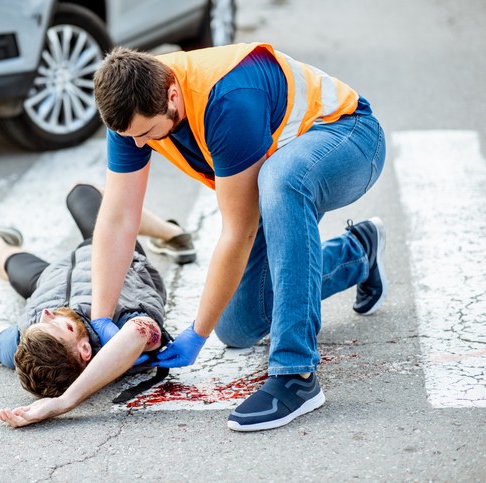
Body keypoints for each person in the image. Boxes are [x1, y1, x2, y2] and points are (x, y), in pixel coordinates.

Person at [89, 43, 387, 432]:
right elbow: (117, 219)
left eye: (146, 133)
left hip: (350, 139)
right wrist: (101, 318)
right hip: (271, 180)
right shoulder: (131, 113)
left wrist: (196, 333)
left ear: (172, 96)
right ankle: (357, 254)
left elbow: (239, 229)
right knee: (237, 326)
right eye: (132, 137)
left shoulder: (227, 100)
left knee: (282, 179)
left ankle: (296, 376)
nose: (140, 144)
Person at [0, 184, 190, 410]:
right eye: (58, 326)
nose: (47, 315)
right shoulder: (123, 326)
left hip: (49, 281)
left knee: (9, 266)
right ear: (85, 352)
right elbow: (137, 335)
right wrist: (67, 401)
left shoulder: (27, 341)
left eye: (40, 323)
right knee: (83, 192)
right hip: (111, 254)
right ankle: (173, 233)